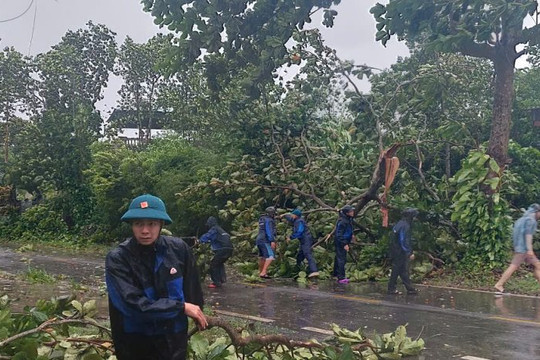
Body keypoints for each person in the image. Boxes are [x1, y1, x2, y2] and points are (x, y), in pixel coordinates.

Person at [105, 194, 207, 360]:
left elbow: (192, 288)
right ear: (131, 225)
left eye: (151, 224)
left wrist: (197, 312)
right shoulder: (118, 259)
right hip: (136, 342)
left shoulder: (179, 249)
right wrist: (180, 307)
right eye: (139, 224)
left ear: (161, 224)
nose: (145, 230)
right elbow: (132, 305)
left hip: (173, 340)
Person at [494, 204, 540, 295]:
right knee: (514, 266)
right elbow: (528, 235)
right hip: (524, 249)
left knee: (537, 265)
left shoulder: (523, 219)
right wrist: (529, 249)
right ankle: (499, 284)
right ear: (537, 212)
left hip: (520, 247)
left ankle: (499, 284)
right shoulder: (530, 220)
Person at [388, 208, 419, 295]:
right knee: (397, 269)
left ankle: (410, 288)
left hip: (395, 250)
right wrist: (409, 252)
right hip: (399, 251)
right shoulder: (405, 226)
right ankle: (391, 288)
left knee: (402, 270)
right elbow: (404, 240)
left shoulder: (399, 223)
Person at [199, 216, 233, 288]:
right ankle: (222, 279)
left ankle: (216, 282)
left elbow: (207, 236)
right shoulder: (221, 230)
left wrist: (199, 240)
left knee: (213, 264)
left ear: (210, 223)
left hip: (223, 249)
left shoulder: (214, 229)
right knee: (219, 263)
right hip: (230, 248)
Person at [285, 209, 319, 278]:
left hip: (306, 239)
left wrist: (291, 237)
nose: (291, 216)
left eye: (292, 215)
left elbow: (299, 232)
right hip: (302, 240)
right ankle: (298, 269)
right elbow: (290, 218)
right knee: (300, 255)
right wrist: (284, 215)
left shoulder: (299, 221)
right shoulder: (296, 220)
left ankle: (314, 270)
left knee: (307, 253)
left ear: (295, 216)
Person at [333, 205, 355, 284]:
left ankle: (335, 274)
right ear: (347, 213)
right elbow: (339, 234)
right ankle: (341, 277)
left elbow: (349, 229)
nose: (353, 212)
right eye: (351, 211)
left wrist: (352, 235)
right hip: (341, 242)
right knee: (341, 259)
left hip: (344, 240)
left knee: (338, 258)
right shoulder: (343, 221)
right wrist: (344, 244)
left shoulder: (348, 219)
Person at [256, 206, 277, 279]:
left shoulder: (262, 219)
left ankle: (261, 272)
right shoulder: (269, 220)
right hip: (265, 240)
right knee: (270, 256)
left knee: (263, 257)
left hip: (259, 239)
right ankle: (263, 272)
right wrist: (272, 240)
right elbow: (269, 230)